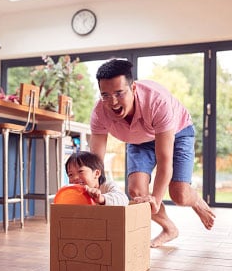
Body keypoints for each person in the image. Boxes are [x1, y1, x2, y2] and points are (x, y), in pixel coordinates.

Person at [89, 59, 216, 247]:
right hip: (139, 140)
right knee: (137, 192)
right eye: (105, 95)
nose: (112, 102)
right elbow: (95, 164)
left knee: (179, 195)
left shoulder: (157, 101)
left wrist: (156, 198)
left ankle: (196, 200)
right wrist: (93, 191)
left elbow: (165, 161)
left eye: (119, 93)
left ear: (133, 89)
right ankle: (169, 228)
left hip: (178, 132)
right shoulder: (100, 113)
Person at [65, 151, 129, 206]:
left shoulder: (106, 186)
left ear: (96, 174)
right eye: (70, 174)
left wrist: (102, 198)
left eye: (80, 171)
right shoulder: (73, 193)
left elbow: (124, 200)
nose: (75, 177)